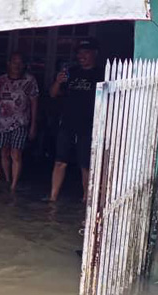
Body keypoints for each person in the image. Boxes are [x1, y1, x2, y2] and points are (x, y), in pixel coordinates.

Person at [47, 38, 102, 202]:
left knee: (85, 164)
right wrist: (57, 81)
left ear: (94, 54)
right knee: (60, 161)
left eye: (85, 52)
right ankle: (52, 197)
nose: (81, 56)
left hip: (89, 124)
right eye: (79, 53)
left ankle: (87, 198)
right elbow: (52, 94)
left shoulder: (100, 74)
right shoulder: (72, 72)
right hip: (68, 123)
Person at [0, 52, 39, 192]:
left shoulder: (29, 81)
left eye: (20, 62)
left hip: (20, 122)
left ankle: (13, 184)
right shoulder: (1, 80)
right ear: (8, 63)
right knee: (4, 152)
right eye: (14, 62)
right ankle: (7, 178)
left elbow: (34, 103)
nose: (17, 65)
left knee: (16, 153)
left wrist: (34, 124)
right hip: (2, 123)